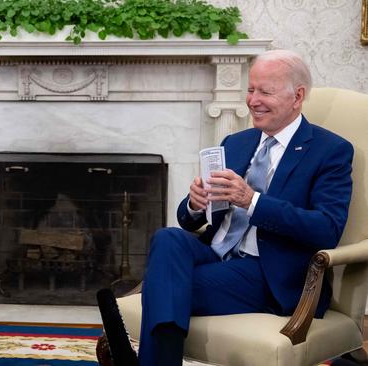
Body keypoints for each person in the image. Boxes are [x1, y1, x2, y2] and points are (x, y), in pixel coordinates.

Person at [133, 49, 354, 365]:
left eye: (265, 91)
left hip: (268, 271)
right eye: (251, 89)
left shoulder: (330, 151)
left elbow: (327, 228)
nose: (253, 100)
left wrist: (252, 201)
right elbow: (192, 218)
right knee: (168, 238)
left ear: (298, 96)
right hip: (218, 253)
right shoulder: (235, 143)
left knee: (164, 284)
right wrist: (196, 205)